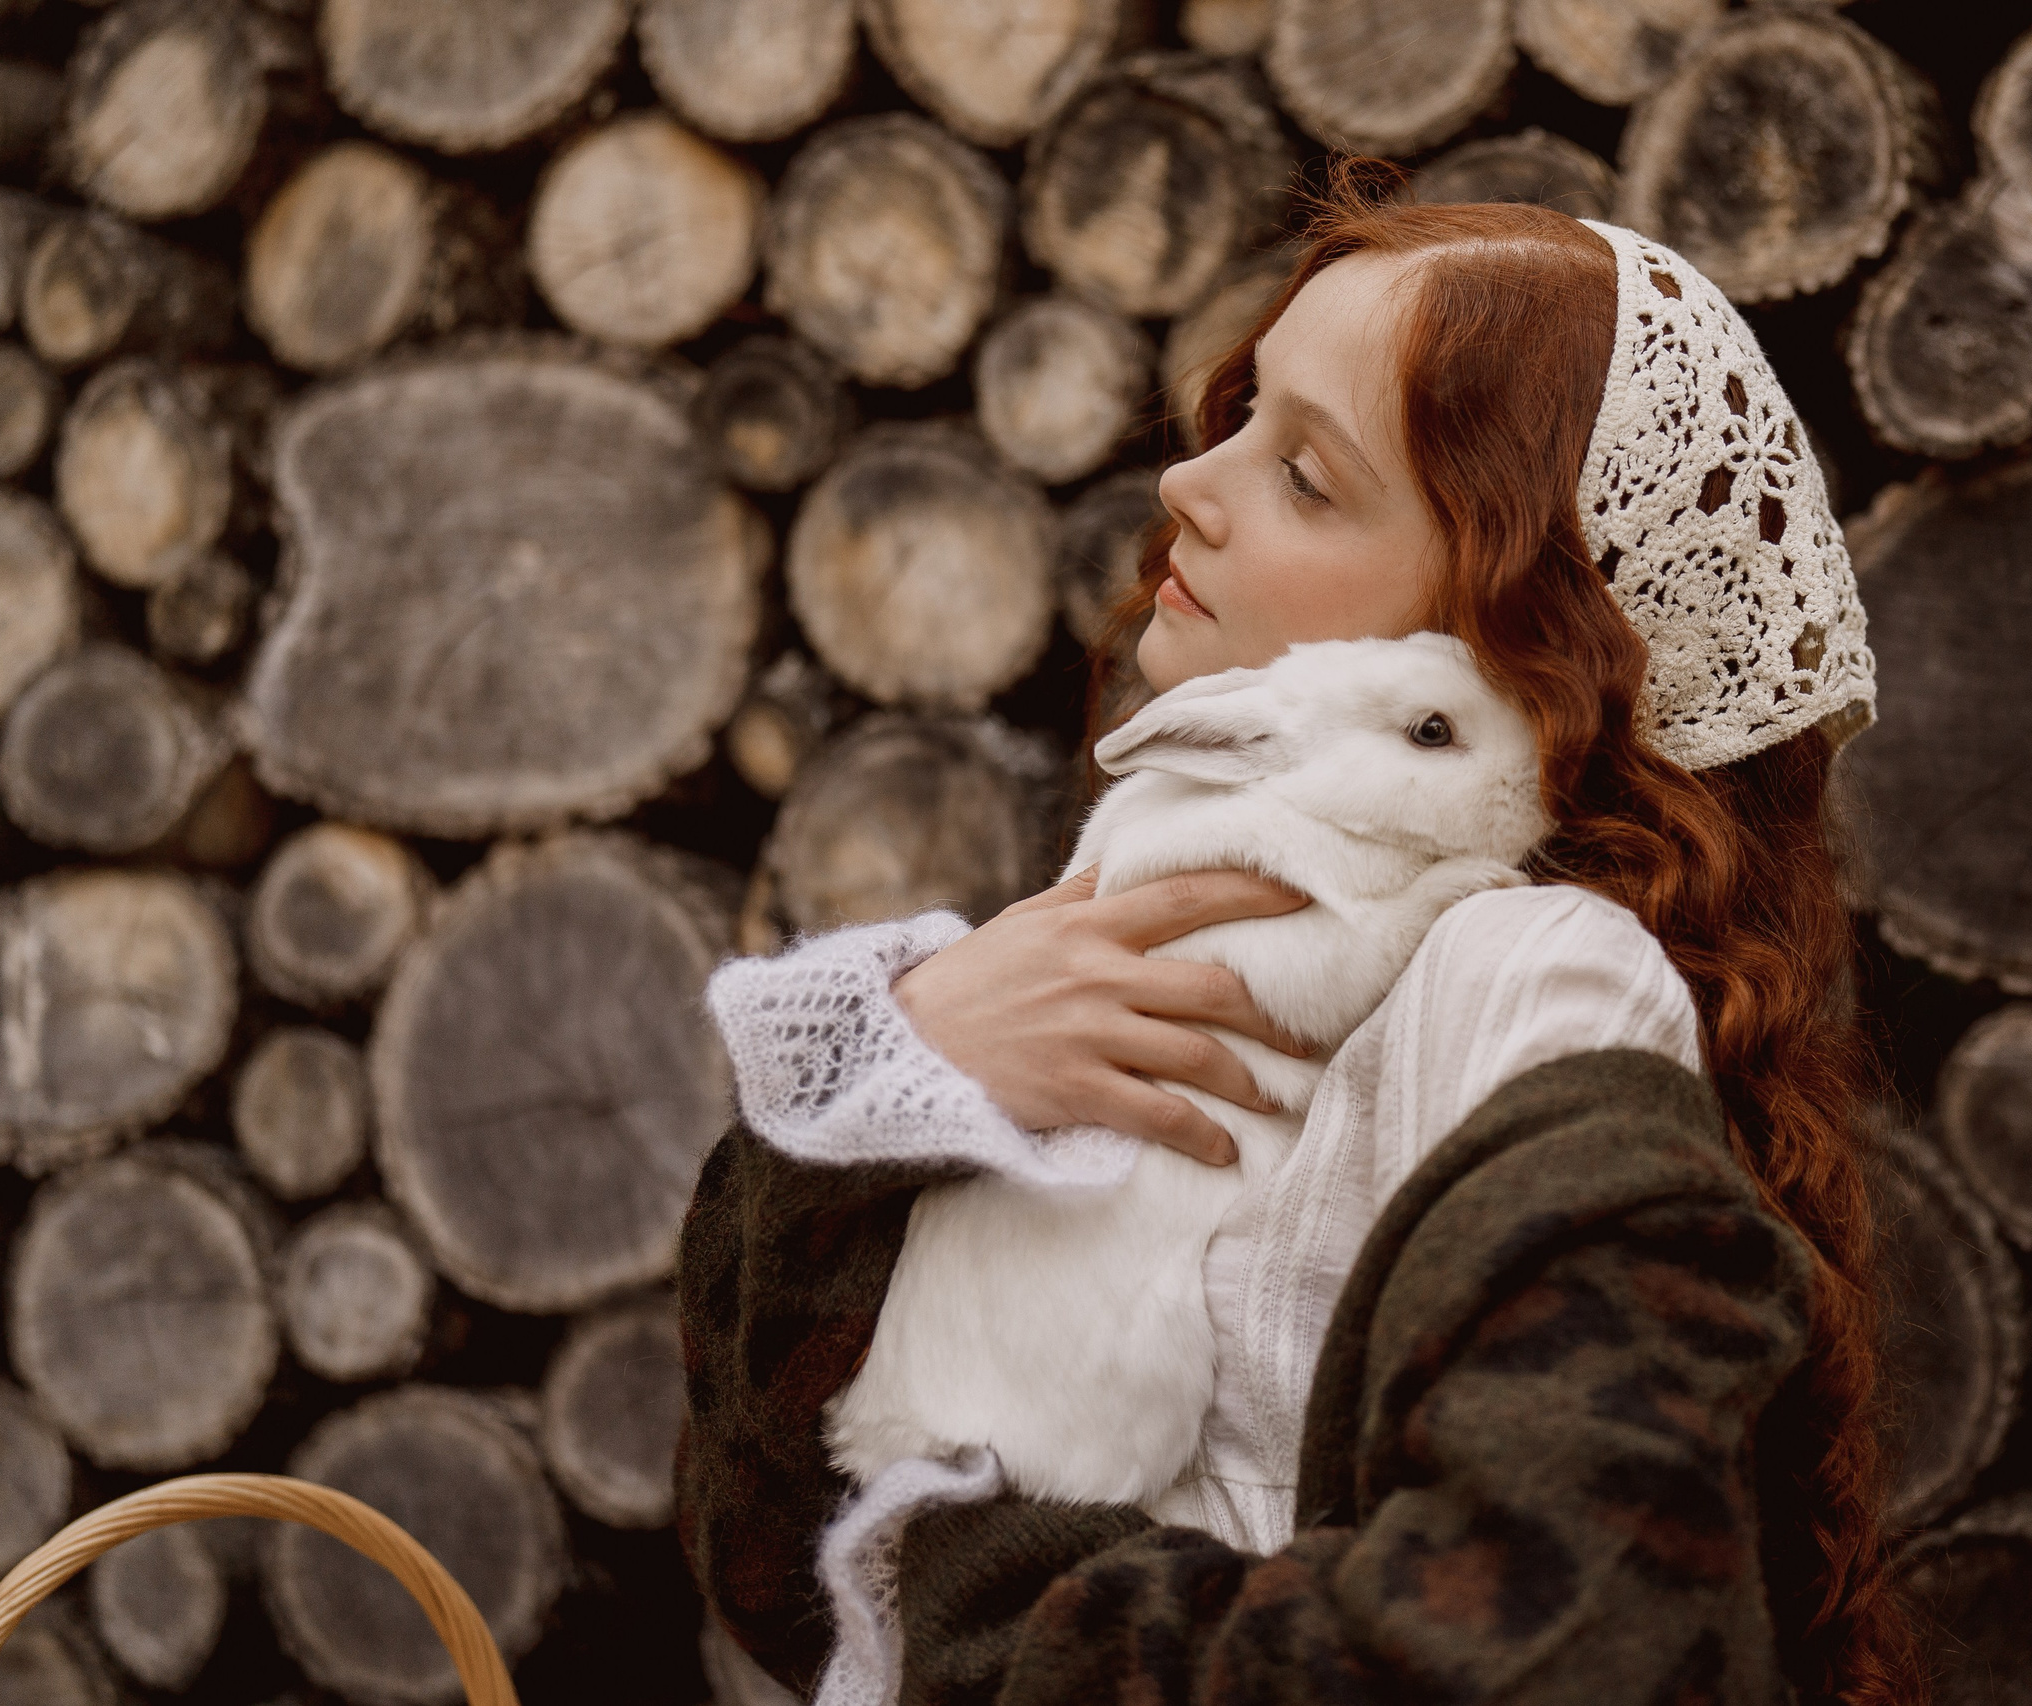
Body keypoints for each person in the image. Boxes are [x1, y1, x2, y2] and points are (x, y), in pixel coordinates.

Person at [676, 171, 1918, 1706]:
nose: (1191, 482)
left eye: (1308, 476)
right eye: (1242, 413)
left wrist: (973, 1597)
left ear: (1525, 635)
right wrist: (890, 1089)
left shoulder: (1533, 992)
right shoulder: (1163, 917)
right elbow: (773, 1570)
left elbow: (1563, 1635)